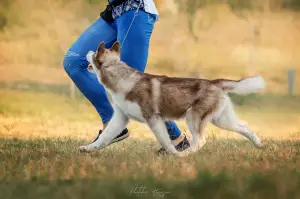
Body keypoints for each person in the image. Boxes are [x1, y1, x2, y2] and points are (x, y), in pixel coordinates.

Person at [63, 0, 190, 153]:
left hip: (135, 10)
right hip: (113, 13)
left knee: (134, 87)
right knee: (74, 60)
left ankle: (177, 140)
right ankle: (110, 122)